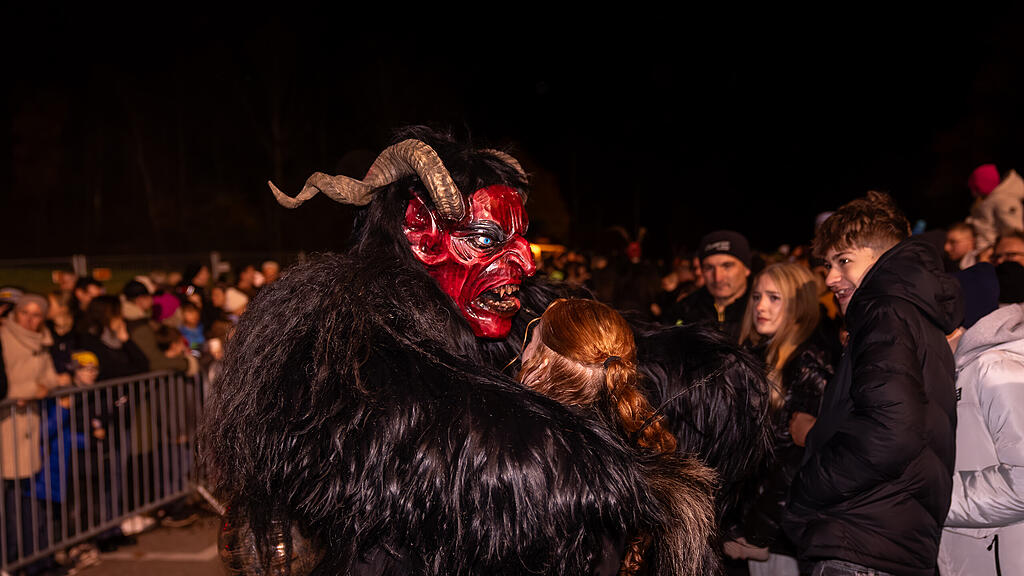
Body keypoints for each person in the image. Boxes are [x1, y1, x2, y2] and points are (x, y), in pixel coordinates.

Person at [204, 128, 770, 575]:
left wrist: (716, 375)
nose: (526, 263)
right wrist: (609, 477)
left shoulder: (516, 311)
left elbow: (614, 353)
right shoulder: (343, 335)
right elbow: (445, 449)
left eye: (521, 240)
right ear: (423, 234)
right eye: (487, 240)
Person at [782, 191, 963, 576]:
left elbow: (891, 432)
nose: (830, 278)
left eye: (844, 261)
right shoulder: (905, 314)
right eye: (827, 264)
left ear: (884, 257)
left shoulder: (885, 312)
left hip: (862, 543)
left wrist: (807, 487)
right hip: (882, 537)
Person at [518, 298, 718, 575]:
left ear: (540, 366)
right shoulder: (619, 452)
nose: (522, 351)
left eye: (531, 341)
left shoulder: (533, 459)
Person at [728, 263, 834, 575]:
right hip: (757, 528)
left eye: (775, 298)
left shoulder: (806, 364)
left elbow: (798, 459)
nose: (760, 306)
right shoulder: (757, 356)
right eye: (757, 296)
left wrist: (759, 530)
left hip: (783, 536)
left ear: (798, 307)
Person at [938, 284, 1024, 575]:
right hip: (973, 553)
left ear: (956, 329)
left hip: (1003, 555)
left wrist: (932, 496)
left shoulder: (996, 368)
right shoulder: (961, 371)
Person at [668, 230, 752, 340]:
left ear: (747, 268)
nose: (718, 277)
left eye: (727, 266)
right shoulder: (684, 310)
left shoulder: (762, 312)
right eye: (709, 267)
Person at [967, 164, 1024, 253]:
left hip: (995, 252)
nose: (972, 193)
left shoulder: (1003, 201)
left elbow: (1014, 230)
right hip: (985, 249)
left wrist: (997, 251)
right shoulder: (987, 202)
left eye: (974, 188)